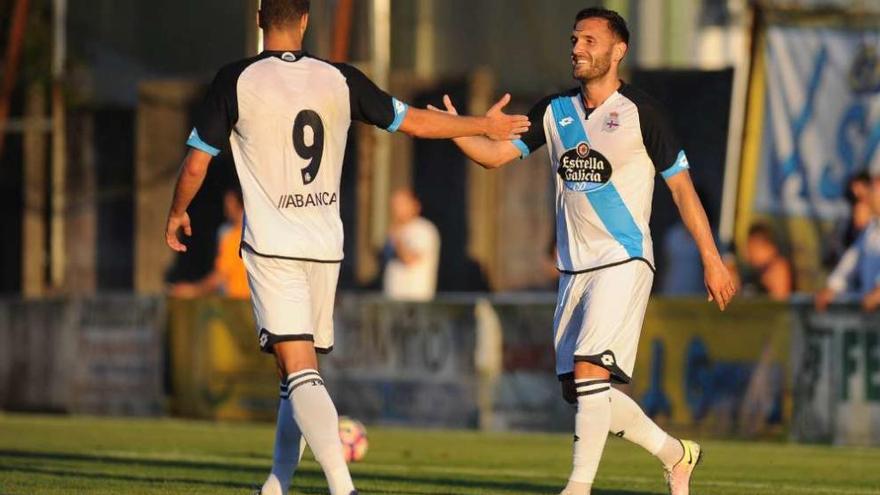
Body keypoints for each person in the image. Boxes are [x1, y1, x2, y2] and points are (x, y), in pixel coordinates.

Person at [163, 1, 530, 494]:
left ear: (258, 19)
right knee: (294, 373)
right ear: (307, 20)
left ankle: (343, 488)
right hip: (325, 248)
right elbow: (414, 122)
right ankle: (277, 484)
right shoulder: (340, 78)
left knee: (300, 372)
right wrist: (481, 127)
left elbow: (195, 164)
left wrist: (177, 211)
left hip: (274, 247)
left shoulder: (236, 80)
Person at [429, 7, 735, 495]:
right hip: (574, 269)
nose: (577, 48)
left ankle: (577, 487)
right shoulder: (555, 112)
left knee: (592, 370)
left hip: (624, 259)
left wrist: (712, 260)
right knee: (586, 393)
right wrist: (457, 129)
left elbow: (682, 190)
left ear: (618, 51)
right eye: (575, 39)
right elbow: (492, 157)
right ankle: (677, 455)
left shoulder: (643, 112)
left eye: (590, 41)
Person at [815, 172, 880, 312]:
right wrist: (832, 288)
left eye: (873, 191)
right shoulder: (872, 230)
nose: (869, 198)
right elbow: (852, 259)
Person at [170, 187, 250, 299]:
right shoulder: (238, 232)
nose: (226, 209)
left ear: (241, 205)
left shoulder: (230, 234)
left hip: (239, 303)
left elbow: (221, 275)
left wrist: (193, 290)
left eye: (229, 204)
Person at [382, 188, 440, 301]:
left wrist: (397, 239)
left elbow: (409, 259)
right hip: (393, 299)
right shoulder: (395, 230)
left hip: (414, 301)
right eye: (394, 204)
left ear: (415, 205)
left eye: (401, 204)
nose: (396, 209)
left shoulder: (424, 229)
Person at [742, 222, 792, 301]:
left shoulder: (778, 269)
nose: (747, 254)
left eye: (753, 248)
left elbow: (779, 302)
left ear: (769, 248)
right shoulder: (752, 271)